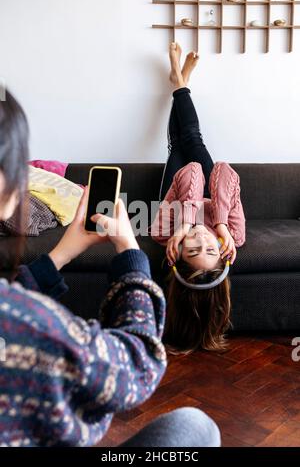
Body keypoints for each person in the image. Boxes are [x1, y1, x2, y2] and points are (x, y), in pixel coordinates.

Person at [0, 89, 220, 447]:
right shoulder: (33, 327)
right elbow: (137, 367)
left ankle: (181, 83)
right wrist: (130, 250)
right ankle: (181, 83)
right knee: (196, 427)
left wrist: (60, 256)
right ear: (10, 189)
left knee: (188, 142)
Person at [151, 43, 246, 354]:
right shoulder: (233, 237)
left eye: (193, 248)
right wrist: (220, 225)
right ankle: (179, 81)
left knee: (181, 147)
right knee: (190, 139)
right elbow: (223, 171)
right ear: (222, 252)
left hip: (181, 185)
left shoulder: (164, 235)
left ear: (177, 253)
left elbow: (191, 172)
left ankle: (180, 80)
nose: (201, 237)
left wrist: (183, 224)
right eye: (210, 248)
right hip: (213, 189)